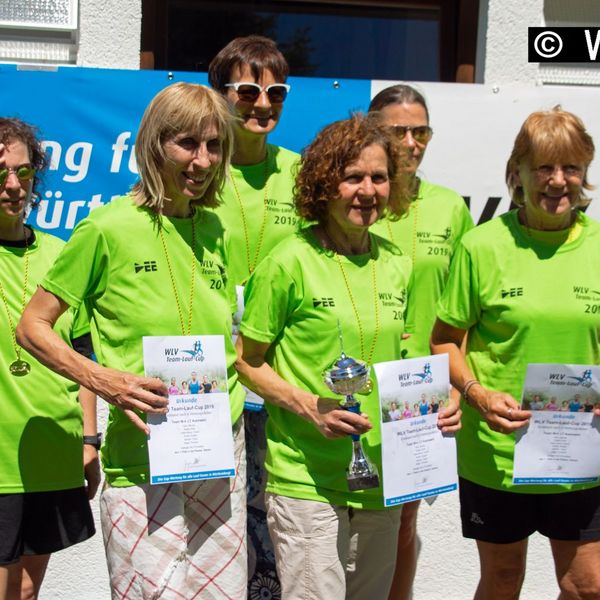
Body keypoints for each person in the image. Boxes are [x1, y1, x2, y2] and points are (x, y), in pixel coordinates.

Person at [17, 83, 247, 599]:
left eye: (213, 146)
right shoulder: (108, 227)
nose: (203, 159)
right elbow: (33, 326)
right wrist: (104, 381)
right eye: (187, 143)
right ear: (155, 143)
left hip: (216, 448)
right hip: (141, 450)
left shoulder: (217, 230)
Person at [235, 114, 461, 599]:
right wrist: (306, 405)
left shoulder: (398, 263)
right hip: (307, 478)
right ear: (324, 184)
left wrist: (438, 405)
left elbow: (407, 360)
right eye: (352, 176)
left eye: (379, 178)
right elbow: (246, 361)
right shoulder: (288, 260)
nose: (367, 190)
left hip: (381, 476)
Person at [431, 107, 600, 599]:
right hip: (498, 452)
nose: (557, 180)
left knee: (586, 586)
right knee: (504, 579)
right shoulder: (482, 246)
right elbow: (444, 338)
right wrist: (478, 394)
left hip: (582, 451)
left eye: (570, 167)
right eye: (543, 167)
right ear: (518, 173)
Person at [368, 84, 474, 600]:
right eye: (397, 131)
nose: (411, 143)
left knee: (403, 524)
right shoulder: (359, 193)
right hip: (359, 375)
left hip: (422, 387)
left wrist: (459, 387)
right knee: (341, 519)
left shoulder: (452, 208)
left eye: (421, 131)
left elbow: (465, 314)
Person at [208, 35, 300, 595]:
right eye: (247, 90)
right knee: (223, 511)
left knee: (277, 512)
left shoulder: (304, 173)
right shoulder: (198, 168)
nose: (262, 104)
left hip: (283, 372)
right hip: (217, 375)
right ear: (221, 95)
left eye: (276, 92)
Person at [0, 118, 97, 599]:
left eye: (24, 173)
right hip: (1, 459)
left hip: (53, 452)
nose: (14, 186)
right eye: (0, 175)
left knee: (25, 593)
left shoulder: (60, 254)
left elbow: (81, 353)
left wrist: (90, 439)